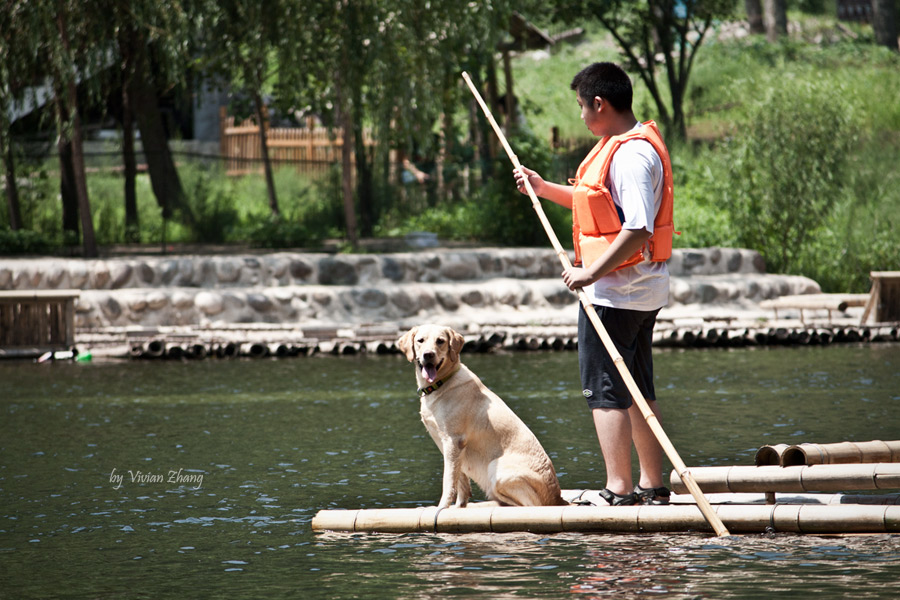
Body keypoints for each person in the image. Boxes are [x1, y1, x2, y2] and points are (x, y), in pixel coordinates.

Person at [513, 62, 674, 506]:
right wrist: (543, 188)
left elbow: (638, 228)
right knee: (637, 388)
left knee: (604, 390)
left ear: (600, 104)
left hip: (616, 293)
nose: (581, 116)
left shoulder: (631, 154)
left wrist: (590, 272)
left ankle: (619, 489)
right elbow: (596, 204)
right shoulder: (620, 146)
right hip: (636, 291)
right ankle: (652, 486)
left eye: (582, 107)